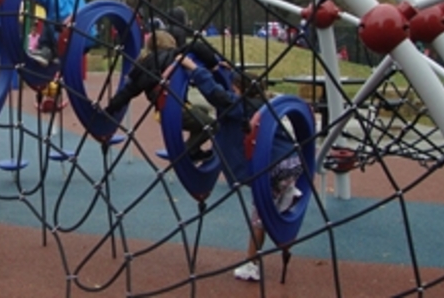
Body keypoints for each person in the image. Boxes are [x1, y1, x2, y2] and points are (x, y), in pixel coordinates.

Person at [181, 58, 303, 283]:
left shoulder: (241, 108)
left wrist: (193, 68)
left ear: (240, 91)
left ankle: (251, 265)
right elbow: (228, 91)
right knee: (271, 207)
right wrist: (227, 71)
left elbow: (217, 94)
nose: (232, 92)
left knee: (260, 217)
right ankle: (289, 192)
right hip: (293, 162)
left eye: (235, 89)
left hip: (272, 168)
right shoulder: (265, 104)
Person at [104, 30, 217, 162]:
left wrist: (109, 110)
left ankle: (194, 150)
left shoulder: (142, 66)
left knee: (202, 113)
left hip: (162, 112)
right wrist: (213, 64)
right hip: (178, 108)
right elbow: (197, 46)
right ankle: (188, 151)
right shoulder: (173, 55)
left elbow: (126, 93)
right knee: (212, 125)